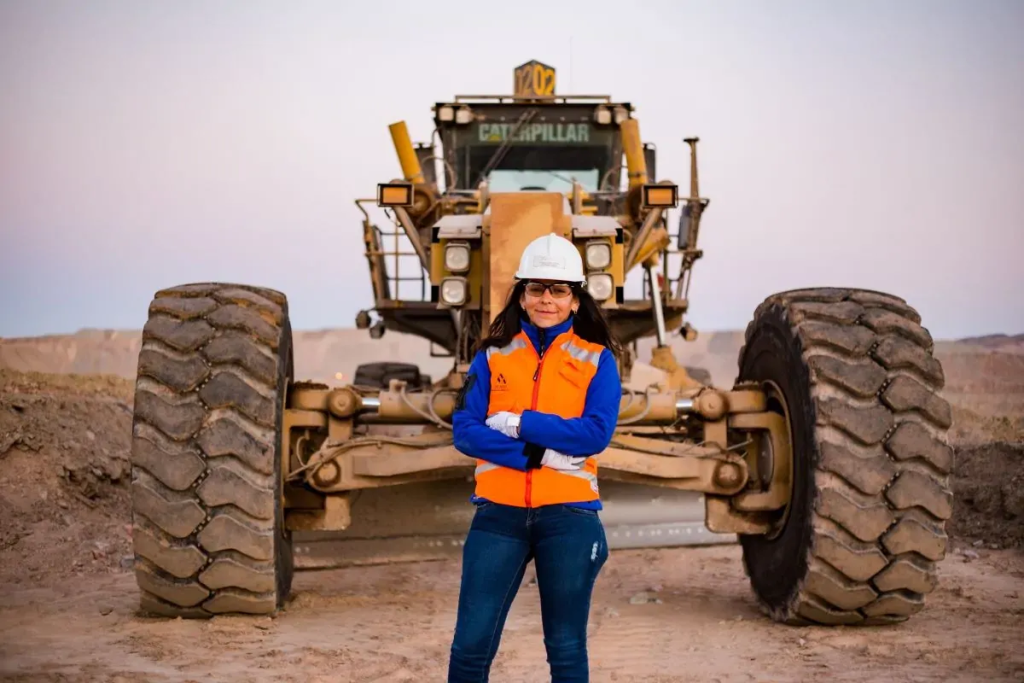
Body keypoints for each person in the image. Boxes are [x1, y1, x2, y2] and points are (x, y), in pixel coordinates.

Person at [447, 232, 623, 683]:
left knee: (565, 650)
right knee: (470, 648)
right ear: (522, 296)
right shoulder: (491, 356)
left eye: (558, 290)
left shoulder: (597, 360)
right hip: (498, 517)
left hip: (569, 518)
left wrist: (521, 421)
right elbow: (466, 431)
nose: (547, 299)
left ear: (575, 300)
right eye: (537, 288)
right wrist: (533, 456)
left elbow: (594, 433)